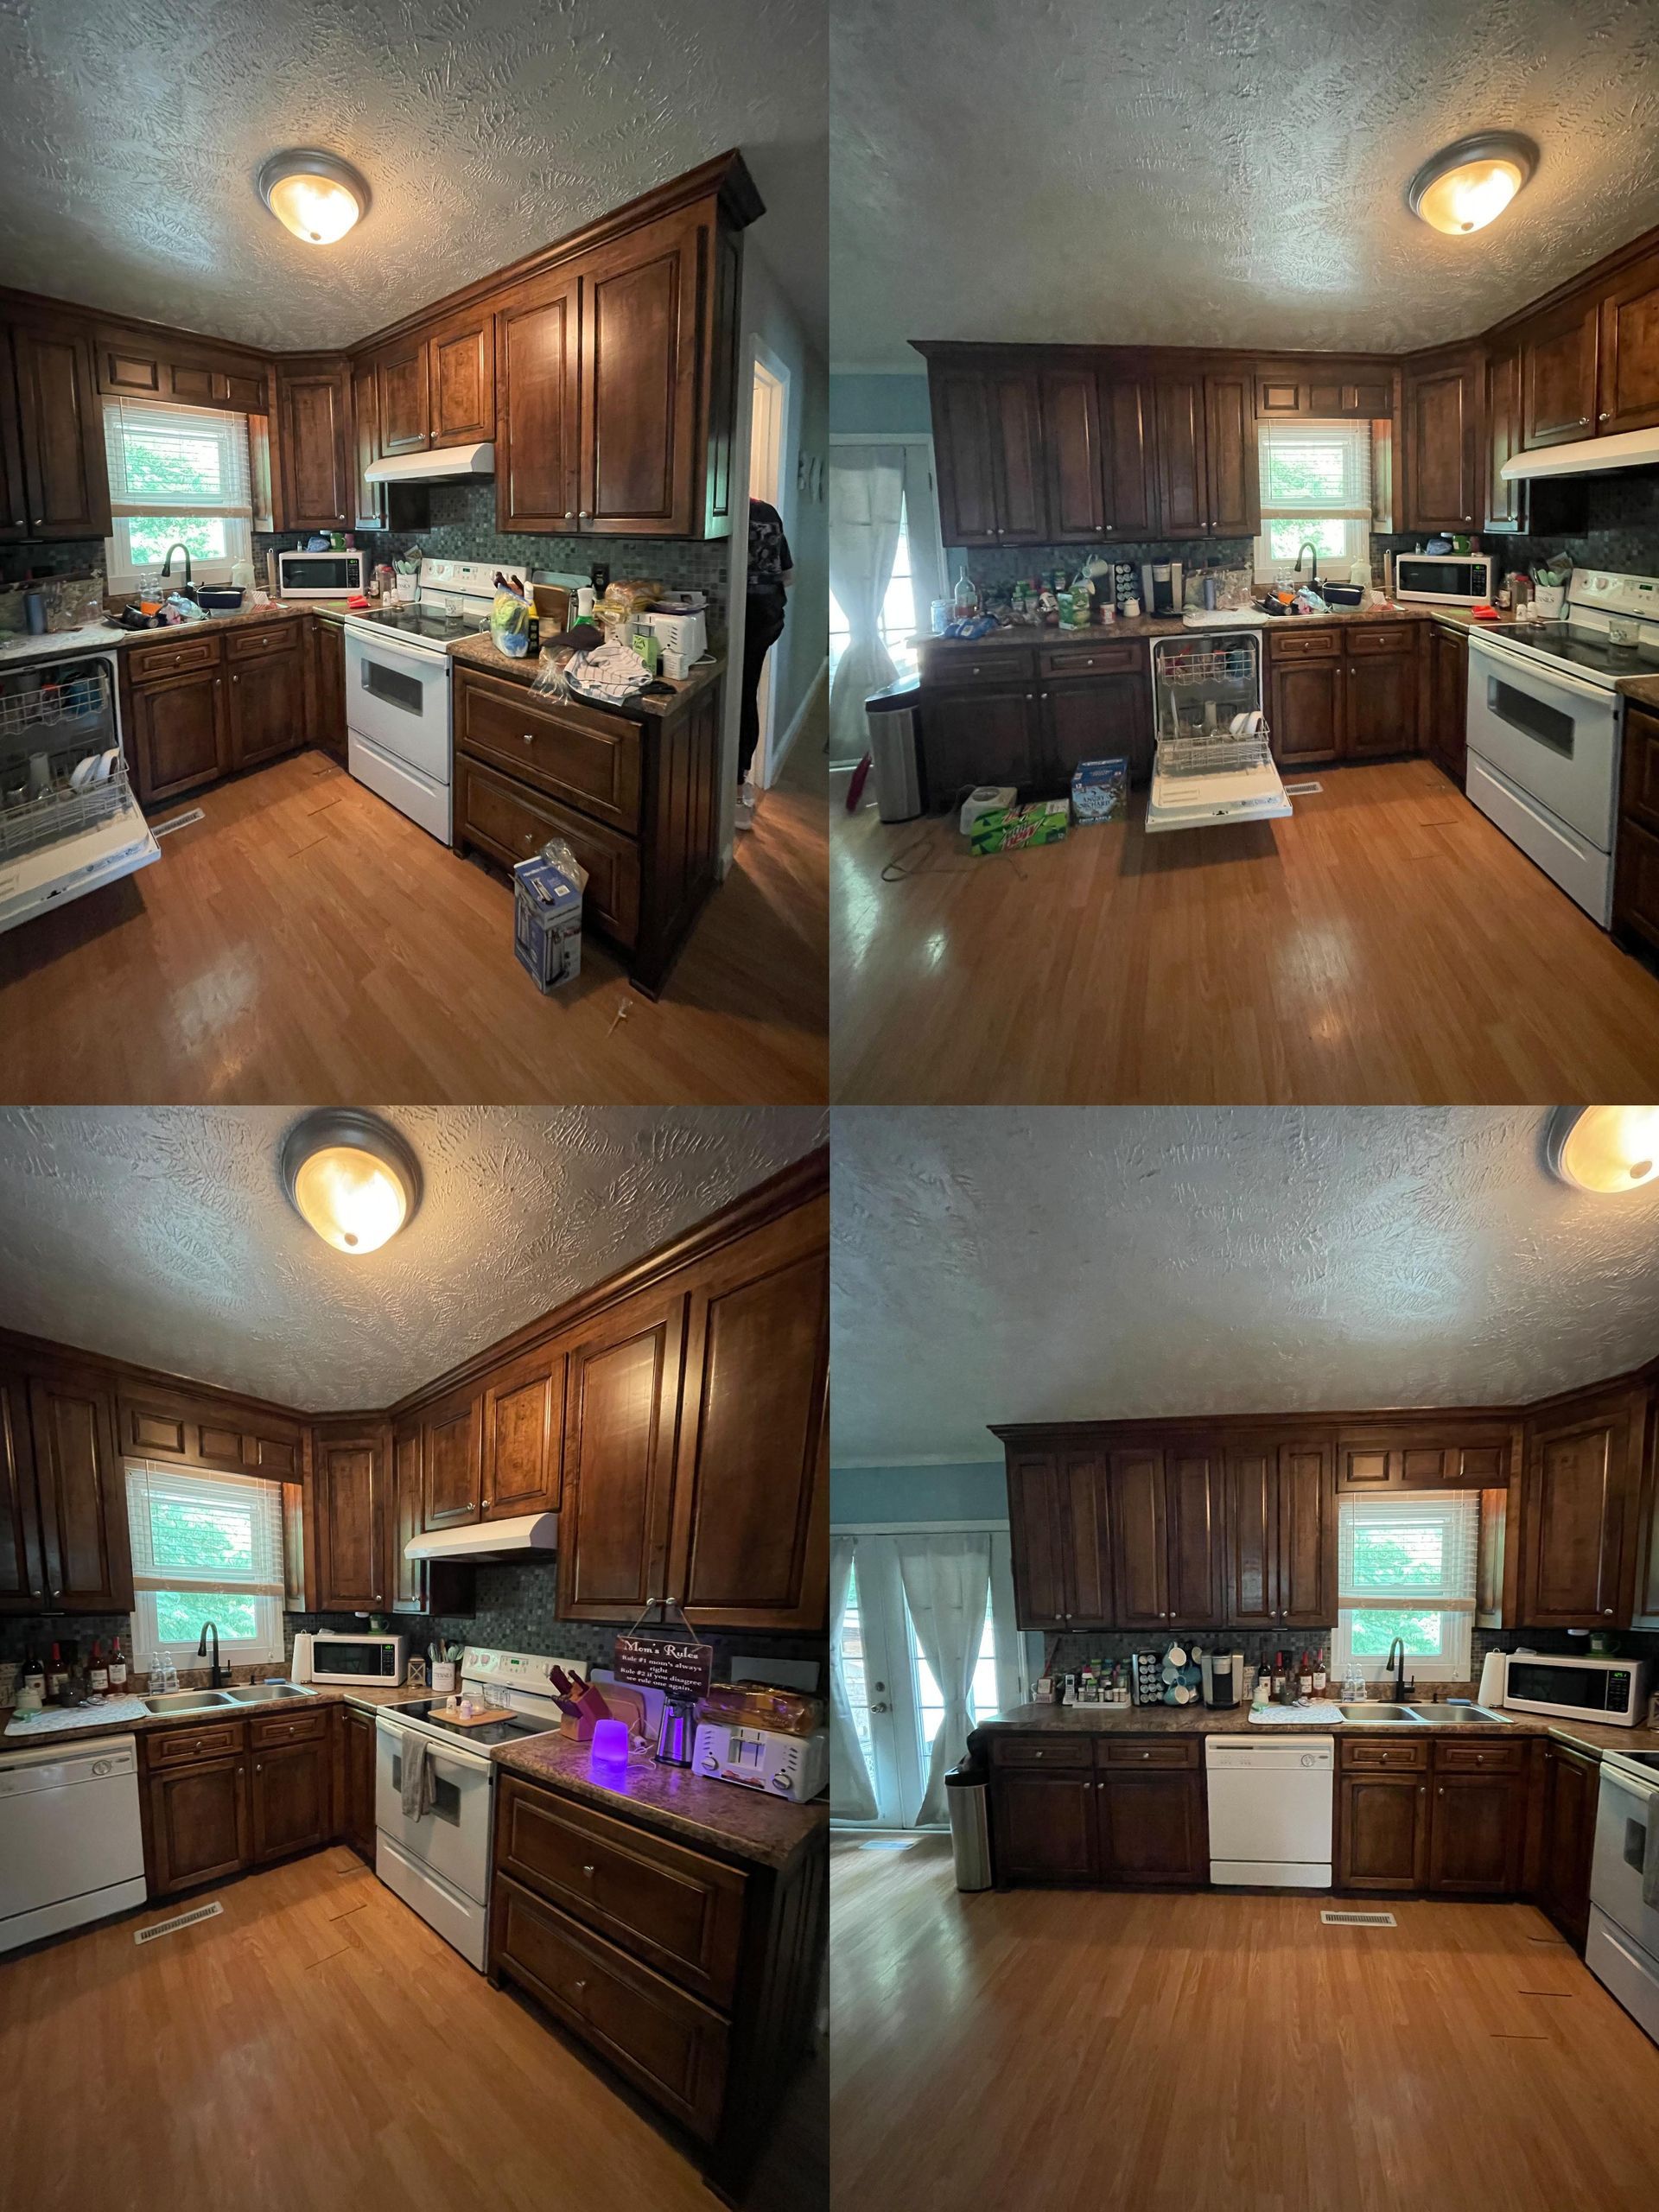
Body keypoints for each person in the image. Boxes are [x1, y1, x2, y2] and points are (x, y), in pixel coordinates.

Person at [737, 495, 793, 828]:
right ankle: (741, 781)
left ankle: (734, 787)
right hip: (768, 616)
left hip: (744, 619)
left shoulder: (723, 509)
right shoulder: (767, 511)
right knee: (747, 695)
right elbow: (788, 575)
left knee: (738, 699)